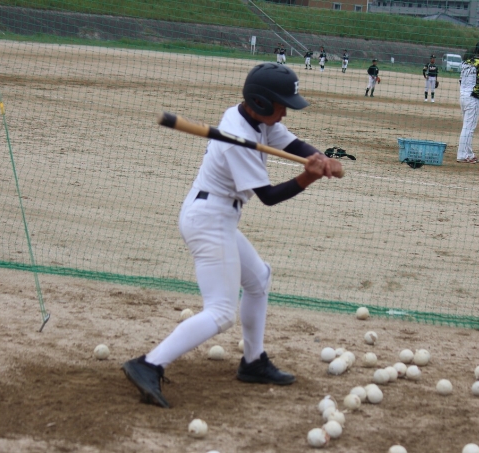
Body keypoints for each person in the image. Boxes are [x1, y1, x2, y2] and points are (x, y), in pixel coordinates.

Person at [121, 63, 342, 408]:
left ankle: (253, 362)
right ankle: (148, 364)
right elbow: (269, 197)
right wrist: (309, 176)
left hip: (218, 216)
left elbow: (293, 143)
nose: (285, 113)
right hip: (208, 220)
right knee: (221, 312)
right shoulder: (236, 140)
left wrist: (321, 158)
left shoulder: (256, 120)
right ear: (261, 102)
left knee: (259, 279)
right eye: (281, 105)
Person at [457, 41, 479, 164]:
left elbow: (460, 80)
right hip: (473, 98)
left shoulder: (466, 63)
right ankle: (462, 155)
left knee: (467, 126)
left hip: (463, 96)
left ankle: (469, 154)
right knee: (469, 128)